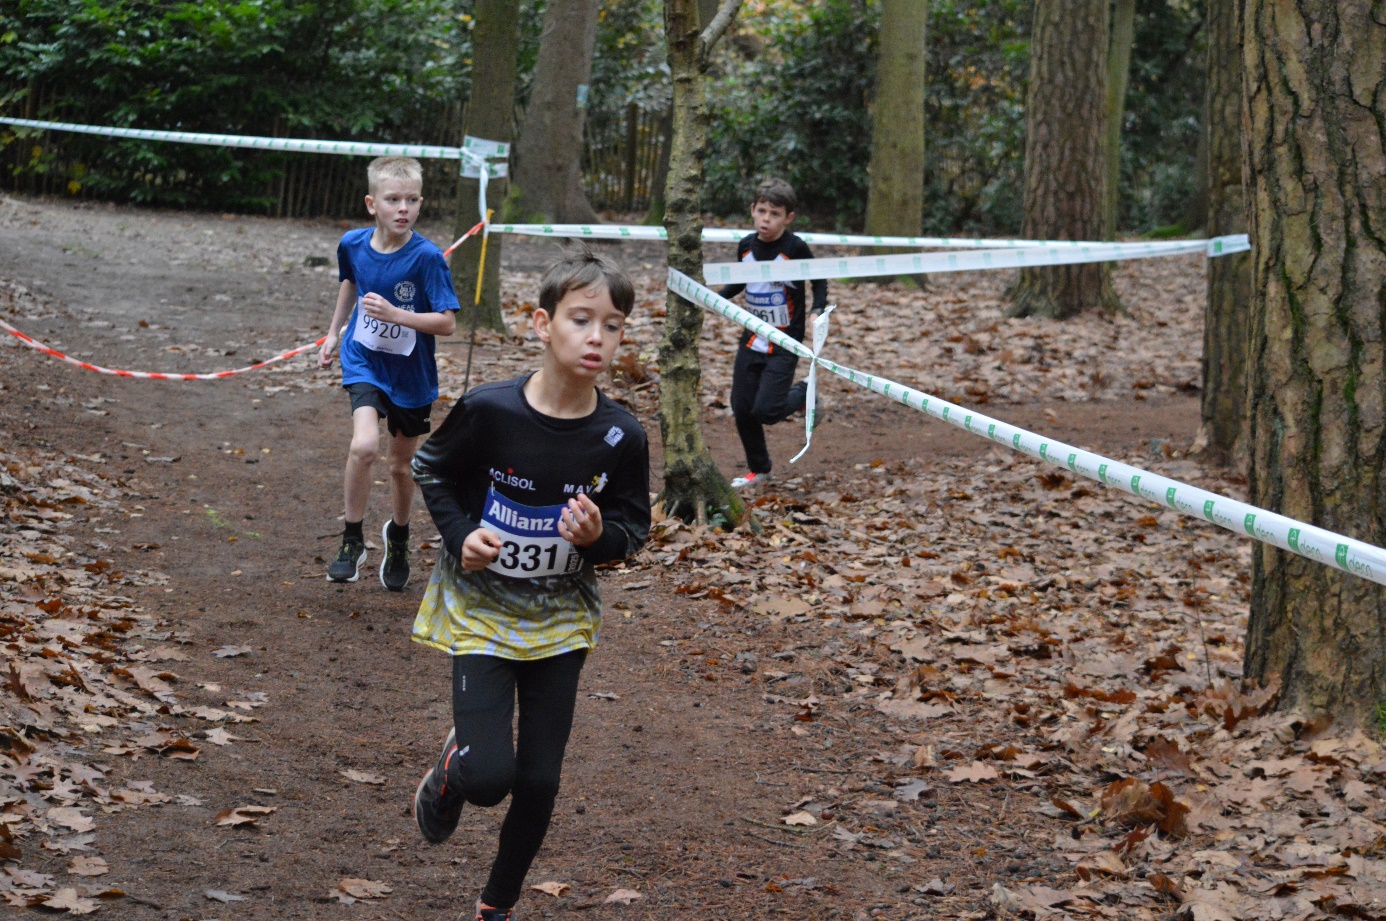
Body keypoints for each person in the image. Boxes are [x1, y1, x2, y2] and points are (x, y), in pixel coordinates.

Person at [409, 249, 651, 921]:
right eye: (581, 319)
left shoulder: (621, 435)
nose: (598, 336)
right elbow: (431, 468)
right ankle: (454, 770)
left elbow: (634, 530)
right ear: (542, 324)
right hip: (482, 608)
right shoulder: (490, 409)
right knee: (492, 778)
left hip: (558, 620)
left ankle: (496, 906)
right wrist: (461, 535)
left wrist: (597, 538)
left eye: (614, 325)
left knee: (540, 779)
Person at [318, 156, 459, 590]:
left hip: (411, 375)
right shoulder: (353, 244)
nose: (404, 208)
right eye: (393, 199)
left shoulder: (427, 257)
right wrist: (333, 333)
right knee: (363, 446)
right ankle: (352, 539)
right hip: (364, 358)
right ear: (371, 204)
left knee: (401, 466)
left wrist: (399, 315)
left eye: (412, 199)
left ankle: (397, 536)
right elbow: (350, 283)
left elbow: (448, 323)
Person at [716, 177, 828, 489]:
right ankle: (759, 468)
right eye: (762, 211)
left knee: (766, 410)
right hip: (752, 337)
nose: (766, 219)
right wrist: (714, 297)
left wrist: (818, 307)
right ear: (752, 210)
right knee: (742, 407)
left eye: (774, 214)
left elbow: (819, 280)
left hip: (785, 341)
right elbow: (740, 281)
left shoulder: (795, 249)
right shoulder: (746, 246)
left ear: (788, 218)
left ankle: (806, 394)